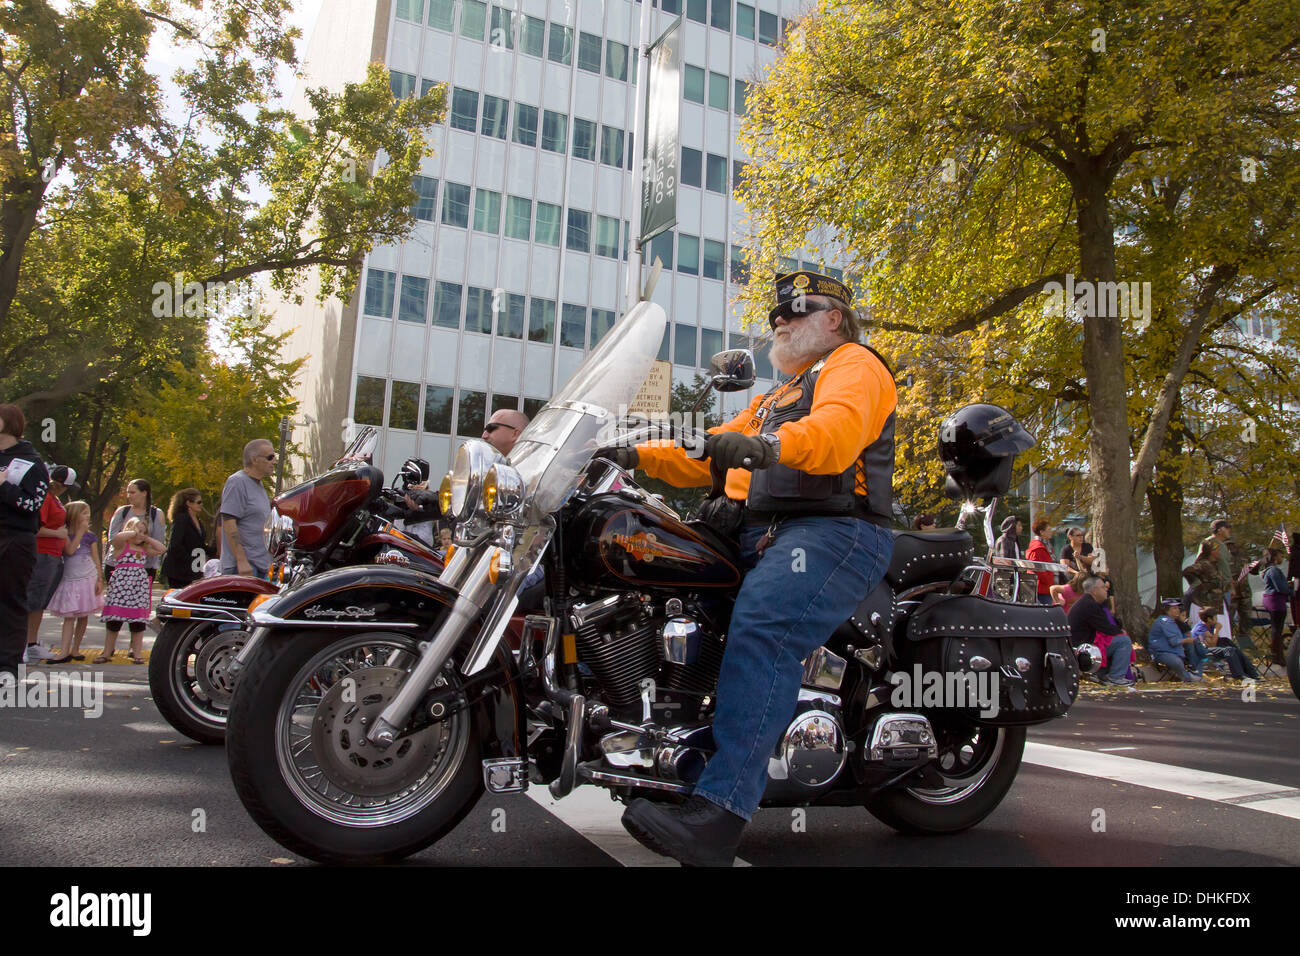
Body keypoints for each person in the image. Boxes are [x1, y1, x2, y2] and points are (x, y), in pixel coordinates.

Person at [603, 269, 897, 866]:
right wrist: (628, 450)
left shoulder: (855, 365)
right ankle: (672, 757)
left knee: (762, 629)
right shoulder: (772, 398)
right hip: (761, 533)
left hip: (833, 530)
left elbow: (835, 434)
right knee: (672, 603)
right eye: (774, 316)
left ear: (833, 318)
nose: (779, 323)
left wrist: (771, 447)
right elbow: (708, 446)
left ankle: (721, 814)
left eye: (794, 310)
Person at [0, 404, 49, 685]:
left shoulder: (30, 462)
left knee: (10, 602)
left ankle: (8, 666)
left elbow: (32, 504)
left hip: (15, 539)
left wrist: (4, 487)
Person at [24, 464, 78, 662]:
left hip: (52, 555)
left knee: (39, 602)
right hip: (42, 553)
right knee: (31, 600)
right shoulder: (45, 499)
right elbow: (35, 528)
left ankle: (31, 644)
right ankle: (22, 645)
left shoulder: (54, 499)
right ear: (62, 485)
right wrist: (57, 533)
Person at [99, 516, 165, 664]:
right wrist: (132, 533)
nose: (139, 534)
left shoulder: (143, 549)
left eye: (143, 531)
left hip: (137, 591)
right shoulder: (121, 545)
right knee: (113, 622)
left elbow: (161, 549)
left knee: (137, 624)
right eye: (136, 531)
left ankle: (136, 652)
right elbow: (117, 538)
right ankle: (107, 651)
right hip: (120, 589)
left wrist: (146, 538)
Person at [46, 501, 104, 663]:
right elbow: (70, 550)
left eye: (88, 513)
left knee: (83, 615)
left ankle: (76, 648)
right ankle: (64, 651)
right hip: (71, 579)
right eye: (84, 513)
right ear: (74, 515)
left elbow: (96, 557)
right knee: (70, 616)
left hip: (88, 578)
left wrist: (99, 578)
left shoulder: (90, 536)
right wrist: (79, 532)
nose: (87, 516)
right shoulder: (65, 533)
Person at [219, 439, 276, 579]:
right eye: (270, 457)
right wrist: (242, 561)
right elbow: (228, 522)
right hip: (244, 569)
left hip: (260, 567)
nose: (274, 461)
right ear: (254, 459)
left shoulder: (259, 486)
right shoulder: (237, 482)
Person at [104, 478, 167, 597]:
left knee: (137, 603)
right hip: (117, 565)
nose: (129, 496)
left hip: (145, 567)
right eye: (128, 492)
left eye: (132, 492)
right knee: (118, 601)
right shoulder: (122, 511)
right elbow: (112, 539)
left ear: (144, 493)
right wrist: (132, 538)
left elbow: (158, 544)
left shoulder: (156, 514)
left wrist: (142, 547)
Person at [1067, 575, 1135, 685]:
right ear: (1094, 590)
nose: (1106, 589)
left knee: (1110, 643)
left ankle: (1103, 675)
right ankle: (1116, 677)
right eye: (1103, 587)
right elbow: (1107, 628)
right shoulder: (1089, 605)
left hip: (1080, 646)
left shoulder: (1087, 602)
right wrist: (1121, 632)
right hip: (1080, 650)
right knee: (1123, 641)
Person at [162, 488, 209, 589]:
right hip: (178, 569)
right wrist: (190, 561)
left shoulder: (197, 520)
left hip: (192, 568)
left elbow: (199, 544)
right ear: (189, 503)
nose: (201, 504)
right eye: (199, 502)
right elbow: (174, 545)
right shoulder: (181, 519)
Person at [1146, 599, 1202, 682]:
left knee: (1199, 651)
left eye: (1178, 608)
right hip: (1162, 652)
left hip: (1174, 651)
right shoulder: (1165, 621)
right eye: (1174, 608)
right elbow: (1174, 642)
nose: (1178, 610)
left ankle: (1194, 672)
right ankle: (1188, 677)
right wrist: (1188, 640)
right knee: (1177, 662)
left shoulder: (1172, 621)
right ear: (1167, 610)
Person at [1261, 545, 1292, 671]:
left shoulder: (1270, 570)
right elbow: (1281, 588)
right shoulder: (1273, 570)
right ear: (1274, 557)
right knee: (1277, 630)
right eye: (1280, 555)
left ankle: (1277, 655)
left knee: (1276, 629)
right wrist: (1292, 590)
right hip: (1276, 601)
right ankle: (1277, 656)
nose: (1282, 558)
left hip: (1273, 600)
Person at [1024, 517, 1056, 604]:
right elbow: (1038, 568)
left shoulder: (1046, 546)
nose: (1051, 531)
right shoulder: (1038, 548)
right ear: (1041, 532)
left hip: (1045, 587)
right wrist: (1049, 581)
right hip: (1041, 589)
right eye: (1048, 529)